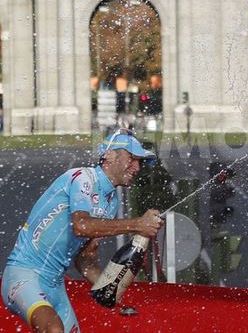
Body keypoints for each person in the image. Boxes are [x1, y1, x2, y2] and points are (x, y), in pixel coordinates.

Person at [1, 129, 165, 332]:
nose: (137, 167)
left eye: (140, 161)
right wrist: (138, 224)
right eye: (131, 158)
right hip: (24, 274)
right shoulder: (82, 177)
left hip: (55, 284)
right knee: (53, 329)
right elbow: (81, 226)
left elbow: (84, 258)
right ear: (109, 155)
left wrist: (106, 287)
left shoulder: (111, 201)